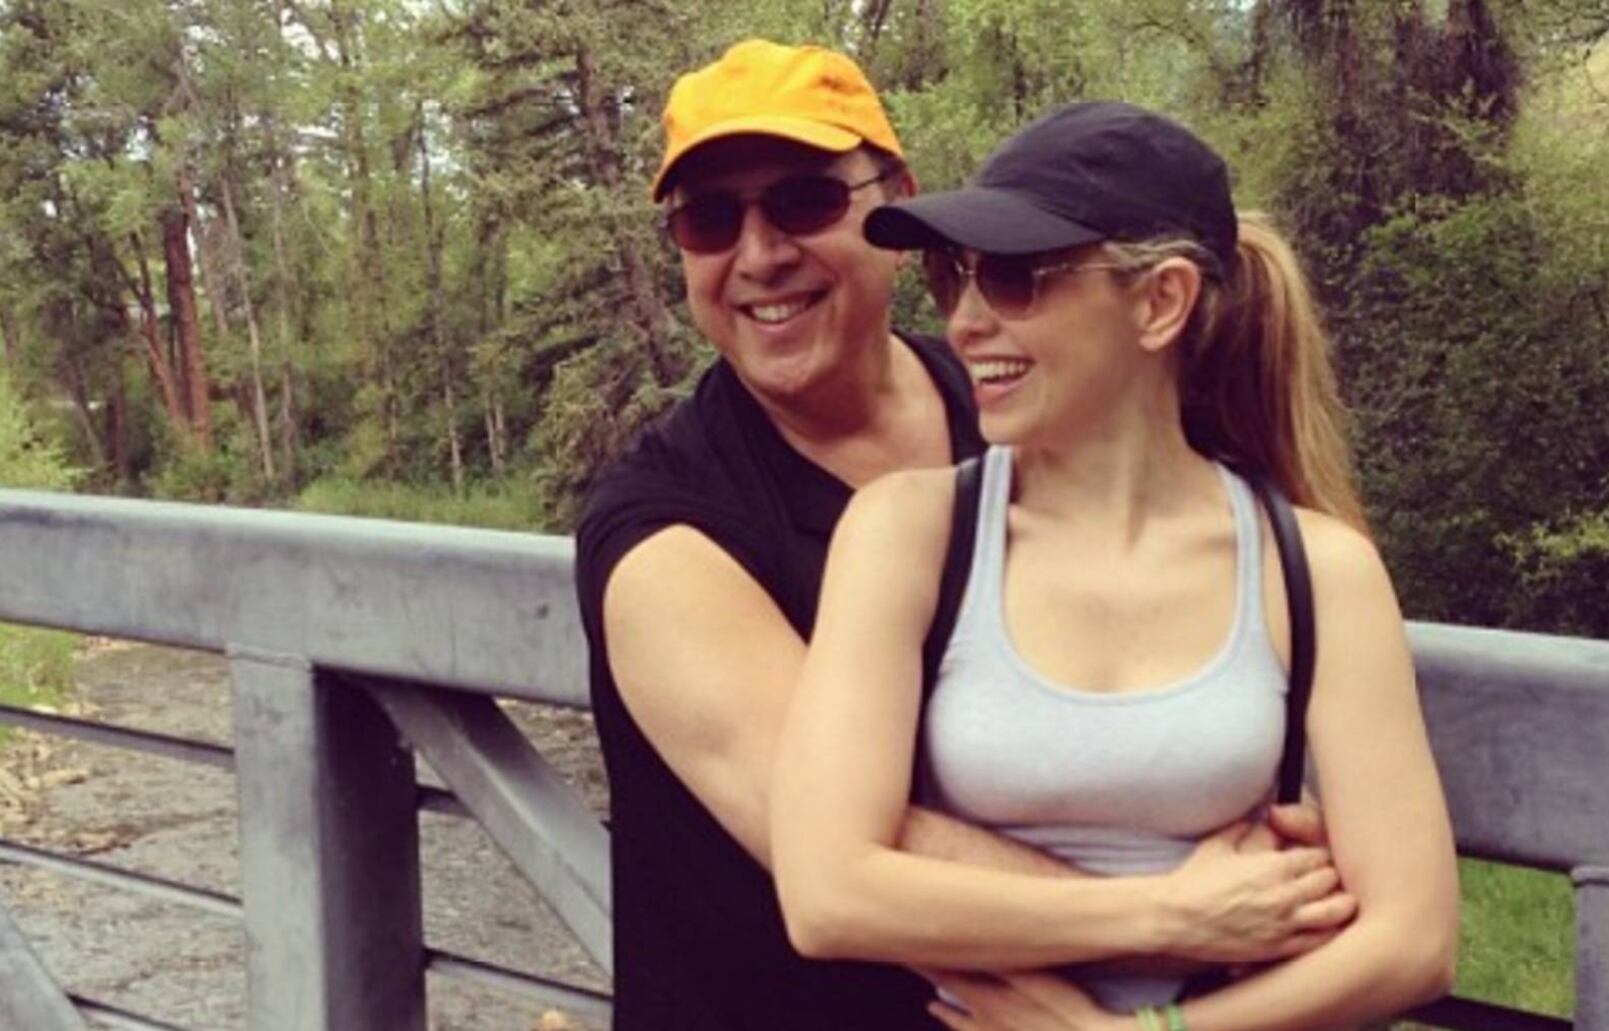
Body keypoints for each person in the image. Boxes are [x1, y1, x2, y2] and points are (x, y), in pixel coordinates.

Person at [576, 42, 1348, 1031]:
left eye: (806, 200)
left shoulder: (1020, 399)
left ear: (897, 206)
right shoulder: (662, 531)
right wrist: (1199, 917)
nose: (759, 254)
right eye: (709, 219)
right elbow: (840, 852)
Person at [769, 101, 1459, 1030]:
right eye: (950, 276)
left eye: (1013, 278)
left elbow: (1413, 939)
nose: (964, 322)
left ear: (1160, 301)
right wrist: (1172, 916)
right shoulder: (909, 533)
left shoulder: (1313, 570)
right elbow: (826, 892)